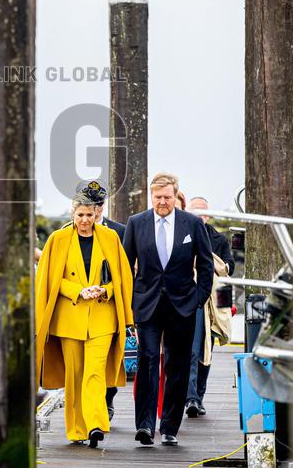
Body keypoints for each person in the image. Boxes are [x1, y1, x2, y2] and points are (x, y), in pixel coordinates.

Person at [35, 194, 134, 448]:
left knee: (94, 372)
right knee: (75, 375)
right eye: (80, 215)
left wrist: (106, 290)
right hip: (69, 319)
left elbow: (123, 277)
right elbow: (49, 279)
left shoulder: (110, 238)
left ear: (96, 214)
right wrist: (77, 290)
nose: (85, 220)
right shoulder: (57, 240)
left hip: (102, 316)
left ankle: (95, 425)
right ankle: (77, 429)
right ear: (73, 214)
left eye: (89, 215)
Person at [122, 173, 213, 447]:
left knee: (177, 365)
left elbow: (206, 265)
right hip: (147, 305)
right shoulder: (136, 223)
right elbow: (126, 265)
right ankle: (145, 426)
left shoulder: (192, 224)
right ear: (151, 196)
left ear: (176, 196)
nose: (162, 202)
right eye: (157, 197)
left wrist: (198, 298)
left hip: (183, 305)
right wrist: (131, 301)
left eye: (167, 197)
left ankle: (170, 427)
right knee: (148, 360)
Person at [75, 180, 127, 420]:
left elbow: (127, 272)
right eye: (87, 206)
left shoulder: (119, 232)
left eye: (96, 205)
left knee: (104, 363)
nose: (92, 211)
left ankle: (106, 402)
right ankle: (86, 416)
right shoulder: (69, 230)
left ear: (102, 206)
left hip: (106, 308)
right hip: (77, 311)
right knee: (81, 368)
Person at [185, 196, 233, 417]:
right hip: (190, 299)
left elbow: (228, 266)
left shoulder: (219, 239)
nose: (199, 217)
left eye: (203, 213)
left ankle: (199, 396)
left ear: (209, 215)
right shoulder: (183, 233)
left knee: (207, 350)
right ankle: (191, 398)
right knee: (192, 350)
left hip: (211, 302)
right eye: (195, 213)